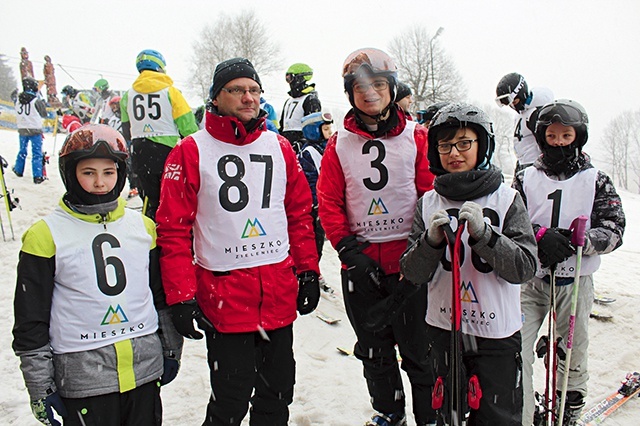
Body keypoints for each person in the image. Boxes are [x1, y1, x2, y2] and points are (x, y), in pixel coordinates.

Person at [156, 57, 320, 426]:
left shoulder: (278, 147)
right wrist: (181, 296)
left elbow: (298, 215)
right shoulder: (190, 150)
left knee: (278, 393)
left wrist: (308, 270)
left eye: (254, 90)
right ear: (216, 97)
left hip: (277, 295)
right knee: (231, 398)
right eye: (237, 90)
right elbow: (173, 229)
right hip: (225, 299)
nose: (249, 98)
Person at [12, 124, 184, 426]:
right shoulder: (44, 235)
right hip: (84, 379)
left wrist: (171, 348)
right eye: (88, 172)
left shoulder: (143, 227)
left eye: (108, 172)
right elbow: (31, 319)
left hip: (143, 371)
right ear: (70, 174)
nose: (100, 182)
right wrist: (39, 385)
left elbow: (159, 297)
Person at [316, 47, 435, 426]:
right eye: (360, 87)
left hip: (411, 262)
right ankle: (389, 411)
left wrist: (421, 250)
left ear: (391, 88)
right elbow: (329, 200)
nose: (369, 93)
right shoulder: (338, 144)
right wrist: (348, 249)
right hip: (362, 263)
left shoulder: (417, 136)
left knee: (420, 349)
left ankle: (429, 416)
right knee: (375, 350)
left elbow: (429, 193)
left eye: (378, 84)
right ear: (350, 93)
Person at [401, 102, 537, 425]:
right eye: (445, 145)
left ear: (482, 144)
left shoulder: (506, 199)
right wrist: (430, 243)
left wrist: (486, 236)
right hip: (445, 331)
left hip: (495, 334)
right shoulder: (428, 203)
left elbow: (525, 265)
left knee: (496, 416)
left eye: (464, 143)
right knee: (448, 414)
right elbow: (412, 271)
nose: (454, 153)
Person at [512, 99, 625, 426]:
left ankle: (568, 411)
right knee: (515, 349)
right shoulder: (526, 178)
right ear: (542, 138)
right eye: (552, 136)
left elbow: (615, 226)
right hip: (532, 282)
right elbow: (511, 223)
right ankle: (521, 412)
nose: (559, 142)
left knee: (571, 354)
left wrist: (585, 242)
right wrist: (540, 236)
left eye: (566, 135)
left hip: (574, 283)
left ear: (579, 136)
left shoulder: (596, 179)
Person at [120, 49, 198, 221]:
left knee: (149, 198)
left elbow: (126, 129)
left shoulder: (128, 95)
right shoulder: (171, 92)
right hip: (167, 153)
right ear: (160, 67)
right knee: (171, 196)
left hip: (140, 152)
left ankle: (150, 232)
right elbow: (188, 126)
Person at [298, 111, 334, 292]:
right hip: (315, 206)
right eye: (325, 129)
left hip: (327, 203)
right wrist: (314, 202)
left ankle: (313, 270)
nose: (330, 132)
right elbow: (310, 180)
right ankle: (311, 272)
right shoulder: (308, 153)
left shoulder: (328, 147)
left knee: (320, 240)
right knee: (313, 243)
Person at [495, 72, 554, 174]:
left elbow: (548, 144)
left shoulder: (535, 114)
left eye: (515, 102)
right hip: (523, 164)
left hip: (536, 166)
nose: (513, 107)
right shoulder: (521, 114)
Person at [278, 62, 322, 150]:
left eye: (290, 78)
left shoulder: (310, 100)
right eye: (287, 79)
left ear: (300, 78)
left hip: (301, 146)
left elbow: (314, 128)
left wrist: (303, 142)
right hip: (286, 144)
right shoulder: (288, 101)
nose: (289, 82)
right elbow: (282, 126)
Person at [12, 77, 47, 184]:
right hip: (35, 129)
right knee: (37, 153)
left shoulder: (17, 100)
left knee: (22, 150)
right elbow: (44, 114)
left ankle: (18, 170)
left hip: (22, 128)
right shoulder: (36, 100)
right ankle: (37, 176)